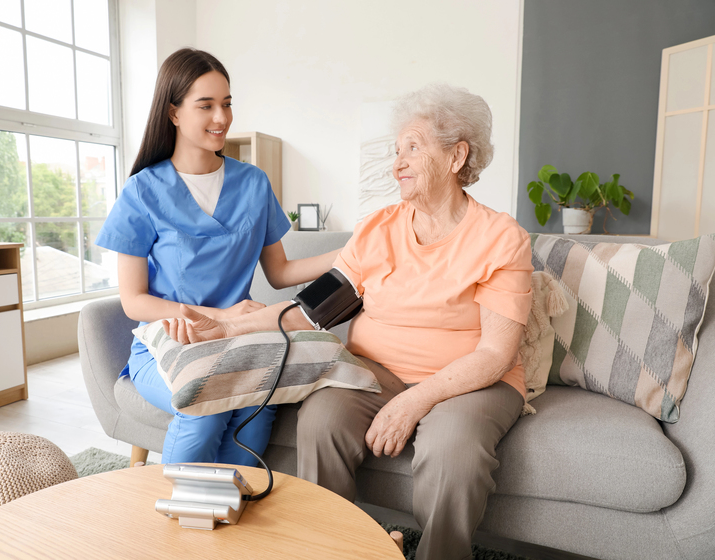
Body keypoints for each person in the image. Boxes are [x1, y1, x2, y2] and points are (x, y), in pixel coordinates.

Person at [162, 82, 533, 560]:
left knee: (454, 453)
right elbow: (312, 309)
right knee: (322, 420)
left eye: (412, 148)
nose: (396, 163)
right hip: (375, 372)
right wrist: (230, 327)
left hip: (471, 382)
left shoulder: (500, 238)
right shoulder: (378, 229)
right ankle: (339, 549)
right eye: (396, 150)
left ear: (457, 156)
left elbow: (495, 354)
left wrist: (417, 399)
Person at [95, 48, 338, 467]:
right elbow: (134, 301)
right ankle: (179, 522)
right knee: (205, 409)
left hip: (238, 340)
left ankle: (227, 516)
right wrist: (221, 317)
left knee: (257, 408)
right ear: (173, 113)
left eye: (226, 104)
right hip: (168, 342)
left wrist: (352, 252)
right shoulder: (142, 191)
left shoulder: (253, 183)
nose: (221, 118)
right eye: (205, 105)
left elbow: (280, 272)